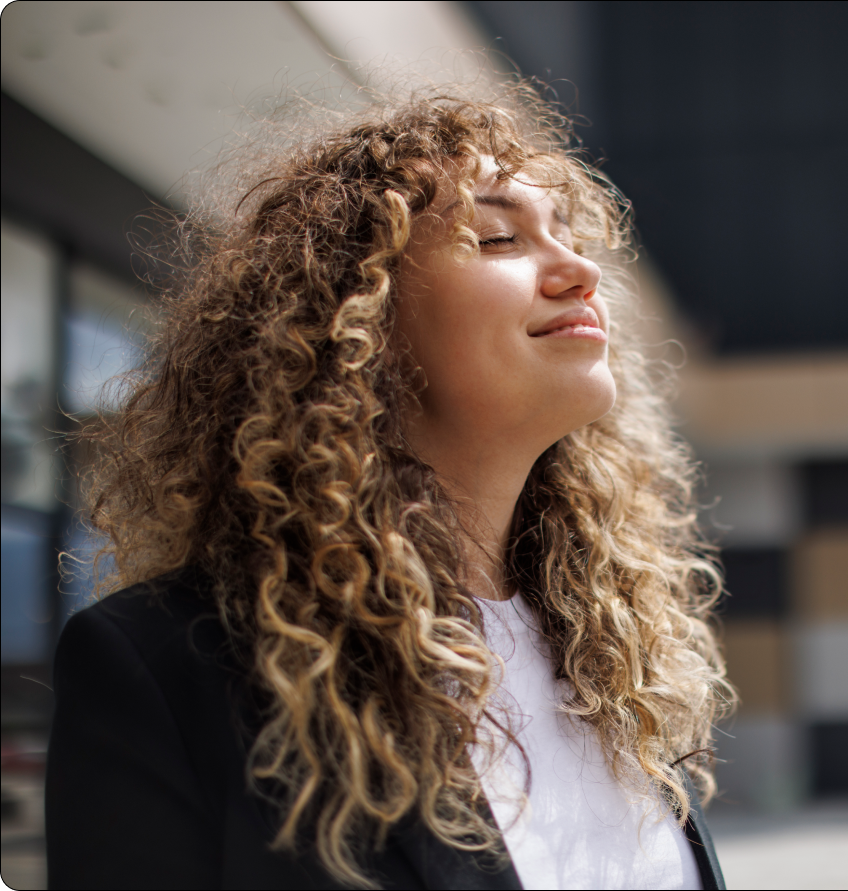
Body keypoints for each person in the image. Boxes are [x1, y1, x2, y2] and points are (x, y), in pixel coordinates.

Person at [45, 83, 731, 890]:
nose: (581, 270)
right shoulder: (168, 669)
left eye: (573, 236)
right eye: (500, 237)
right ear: (356, 316)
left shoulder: (608, 658)